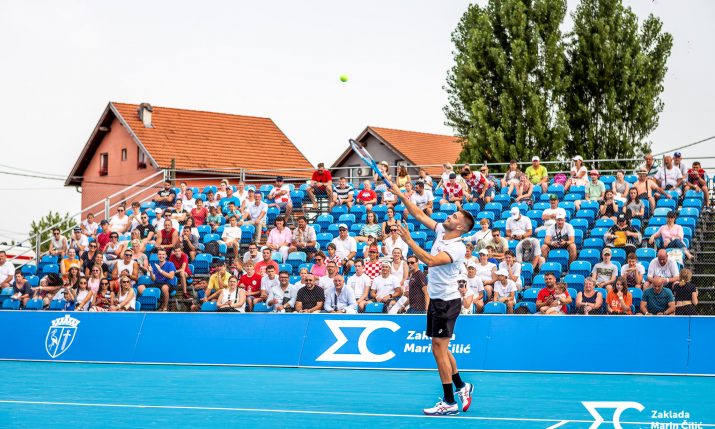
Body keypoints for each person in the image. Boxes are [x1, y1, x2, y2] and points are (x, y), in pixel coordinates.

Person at [391, 181, 475, 415]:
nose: (450, 216)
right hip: (438, 300)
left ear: (460, 227)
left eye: (454, 216)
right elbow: (419, 214)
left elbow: (430, 261)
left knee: (438, 349)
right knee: (441, 348)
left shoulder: (457, 247)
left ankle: (449, 402)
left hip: (447, 302)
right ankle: (461, 386)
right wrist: (401, 195)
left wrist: (409, 242)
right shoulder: (441, 231)